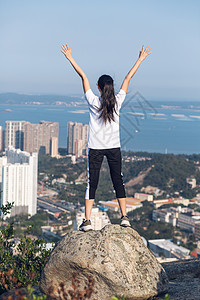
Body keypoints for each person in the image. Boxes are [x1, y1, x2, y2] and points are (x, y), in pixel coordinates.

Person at [61, 43, 151, 231]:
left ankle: (87, 221)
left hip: (95, 147)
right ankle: (124, 217)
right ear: (111, 87)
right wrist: (140, 59)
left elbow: (83, 76)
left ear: (99, 88)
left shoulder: (93, 101)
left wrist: (70, 58)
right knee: (118, 179)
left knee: (91, 182)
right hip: (113, 147)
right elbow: (128, 77)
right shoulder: (117, 101)